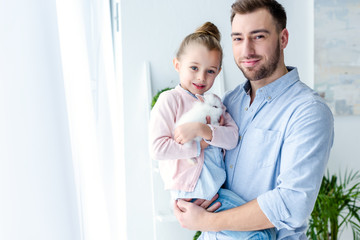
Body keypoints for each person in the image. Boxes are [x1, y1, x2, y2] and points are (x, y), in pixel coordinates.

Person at [173, 1, 334, 239]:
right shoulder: (227, 101)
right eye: (238, 38)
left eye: (258, 37)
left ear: (283, 38)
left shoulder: (308, 111)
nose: (246, 50)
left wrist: (209, 221)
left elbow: (293, 203)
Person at [149, 22, 276, 239]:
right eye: (194, 68)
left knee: (265, 231)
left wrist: (203, 130)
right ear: (177, 64)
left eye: (210, 71)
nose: (201, 78)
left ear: (217, 73)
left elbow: (232, 138)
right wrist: (197, 145)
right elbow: (157, 148)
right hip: (192, 193)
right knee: (262, 235)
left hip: (215, 189)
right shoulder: (169, 100)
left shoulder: (215, 102)